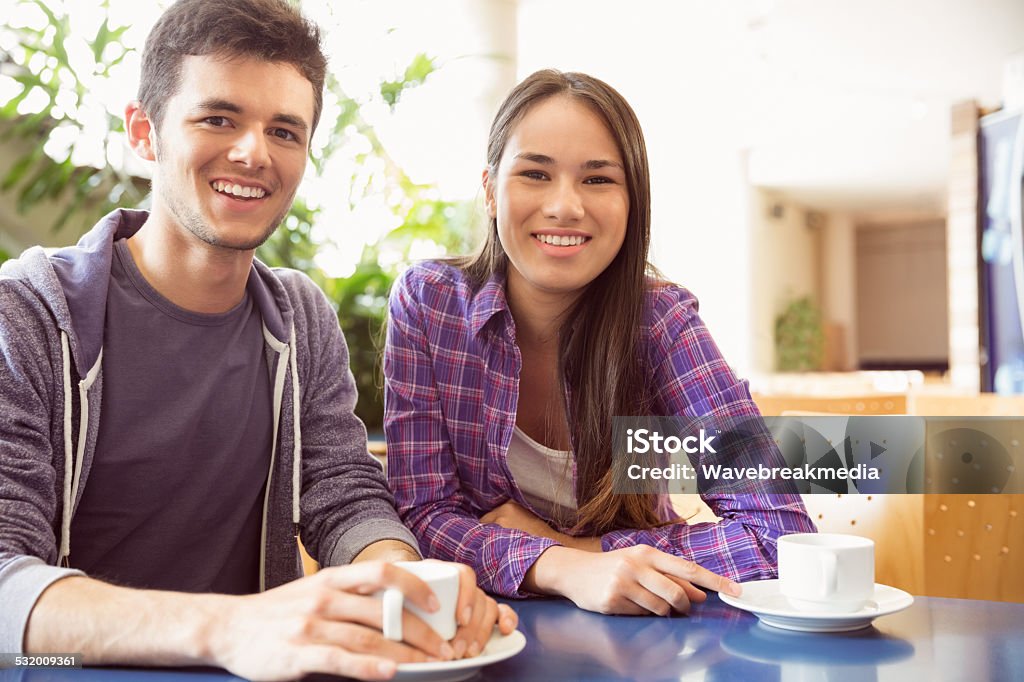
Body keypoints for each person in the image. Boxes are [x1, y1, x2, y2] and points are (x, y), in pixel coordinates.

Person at [0, 1, 514, 679]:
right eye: (219, 117)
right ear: (144, 134)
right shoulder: (28, 314)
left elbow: (343, 496)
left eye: (284, 130)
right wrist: (231, 627)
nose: (253, 152)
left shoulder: (299, 317)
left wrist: (402, 581)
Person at [383, 69, 817, 616]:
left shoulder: (660, 323)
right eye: (536, 174)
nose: (565, 206)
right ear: (492, 191)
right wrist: (557, 567)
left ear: (633, 201)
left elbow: (776, 535)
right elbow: (422, 514)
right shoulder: (431, 305)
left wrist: (584, 551)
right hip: (491, 634)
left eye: (597, 180)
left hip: (641, 637)